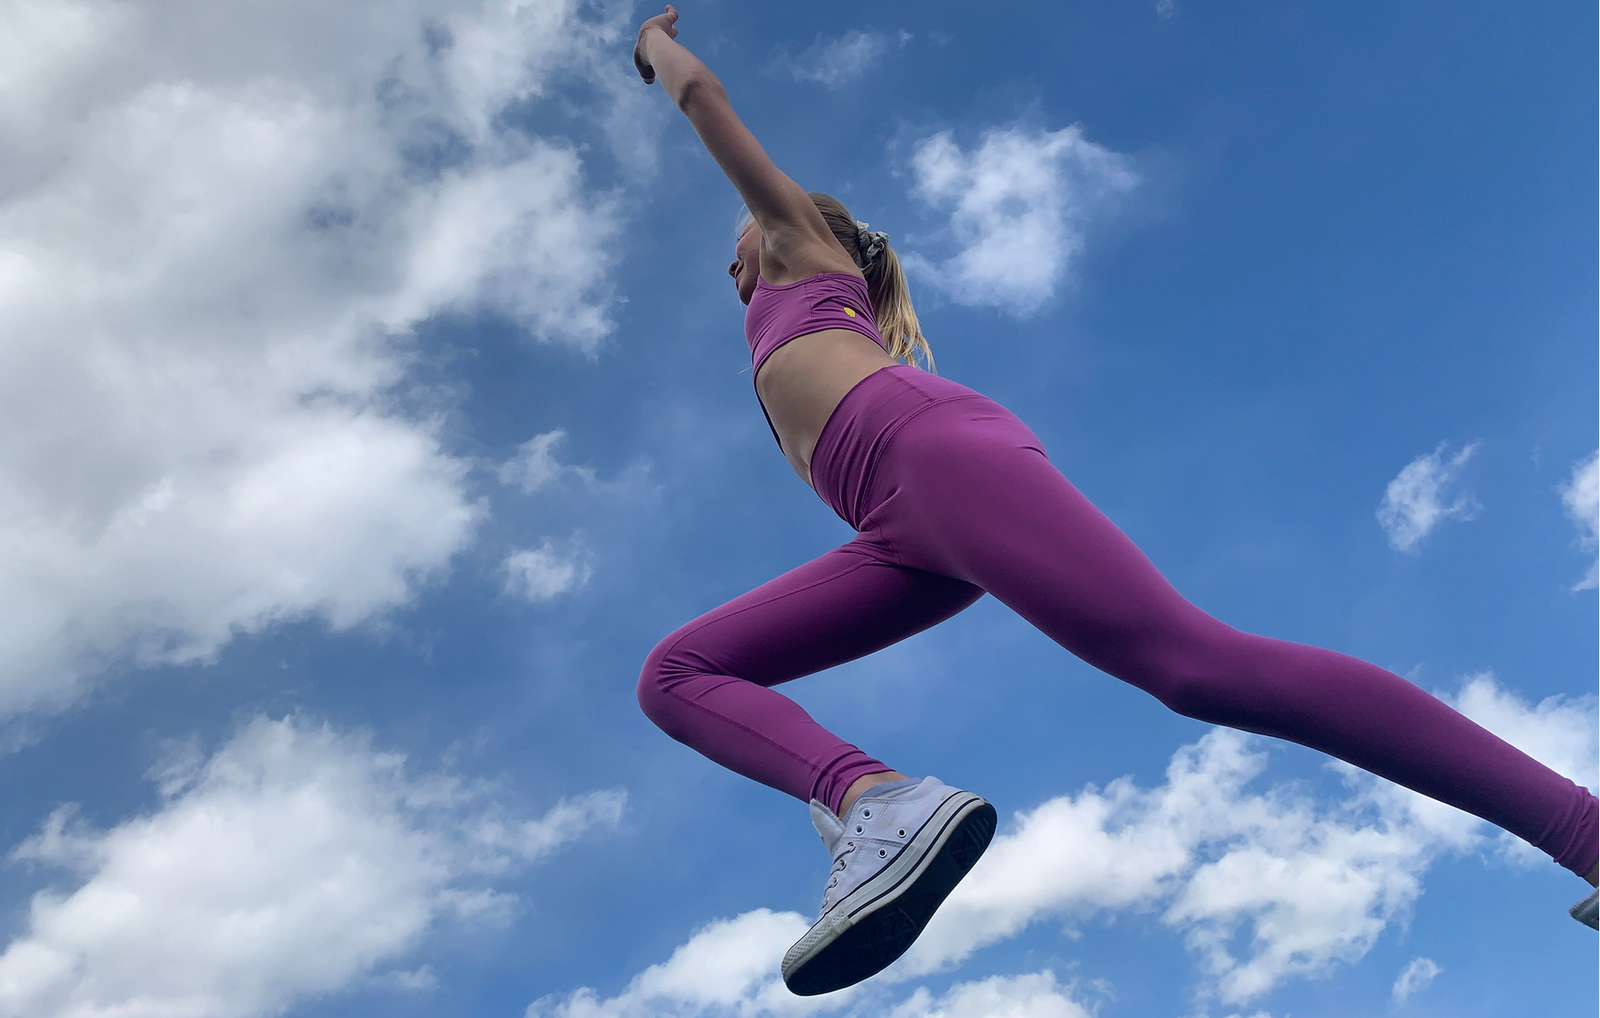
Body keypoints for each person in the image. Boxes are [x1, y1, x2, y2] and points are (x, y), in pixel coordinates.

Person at [629, 5, 1600, 997]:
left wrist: (653, 46)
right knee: (678, 673)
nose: (730, 258)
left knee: (1197, 666)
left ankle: (1586, 829)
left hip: (930, 458)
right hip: (899, 527)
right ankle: (872, 800)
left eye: (739, 235)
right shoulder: (787, 316)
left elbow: (704, 98)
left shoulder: (802, 247)